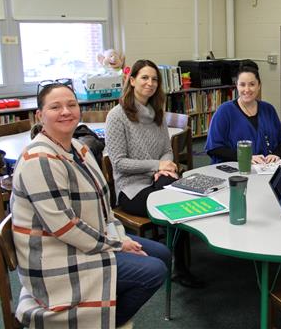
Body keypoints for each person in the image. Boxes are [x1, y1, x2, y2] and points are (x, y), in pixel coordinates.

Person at [11, 82, 169, 328]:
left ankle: (102, 312)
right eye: (55, 107)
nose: (65, 111)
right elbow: (64, 227)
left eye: (71, 105)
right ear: (40, 116)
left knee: (162, 254)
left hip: (85, 239)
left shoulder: (78, 147)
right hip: (56, 257)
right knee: (153, 271)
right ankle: (100, 321)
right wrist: (117, 244)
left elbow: (103, 207)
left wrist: (118, 237)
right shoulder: (39, 160)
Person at [105, 59, 202, 288]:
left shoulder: (157, 114)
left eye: (154, 79)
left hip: (158, 180)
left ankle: (178, 262)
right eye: (144, 78)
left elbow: (167, 150)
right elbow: (118, 164)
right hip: (131, 189)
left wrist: (165, 166)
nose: (150, 83)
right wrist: (156, 167)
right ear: (132, 80)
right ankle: (178, 266)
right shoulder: (117, 116)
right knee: (174, 200)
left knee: (176, 195)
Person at [205, 60, 281, 164]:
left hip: (265, 167)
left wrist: (276, 154)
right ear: (236, 86)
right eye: (242, 85)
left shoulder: (268, 109)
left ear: (259, 85)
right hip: (235, 168)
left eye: (252, 84)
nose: (247, 89)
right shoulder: (224, 111)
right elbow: (214, 148)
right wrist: (245, 157)